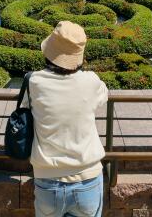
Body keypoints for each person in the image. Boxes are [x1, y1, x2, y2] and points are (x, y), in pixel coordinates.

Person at [29, 21, 108, 217]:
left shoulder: (34, 82)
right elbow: (103, 95)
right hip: (88, 179)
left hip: (48, 182)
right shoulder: (91, 81)